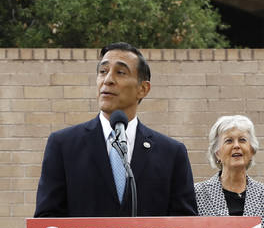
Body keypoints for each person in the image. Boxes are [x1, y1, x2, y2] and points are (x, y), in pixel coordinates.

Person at [34, 41, 197, 218]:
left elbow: (184, 225)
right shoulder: (63, 145)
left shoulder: (171, 153)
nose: (108, 80)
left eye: (120, 72)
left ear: (143, 89)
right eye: (103, 72)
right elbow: (47, 221)